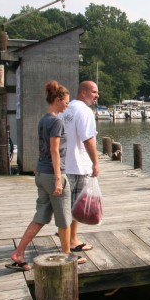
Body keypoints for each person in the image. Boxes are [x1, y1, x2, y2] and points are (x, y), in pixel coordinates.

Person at [6, 80, 84, 271]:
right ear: (57, 100)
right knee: (65, 220)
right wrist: (59, 179)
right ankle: (67, 257)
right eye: (66, 102)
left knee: (40, 217)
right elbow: (54, 150)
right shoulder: (56, 121)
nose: (67, 105)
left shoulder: (44, 119)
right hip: (53, 175)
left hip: (40, 173)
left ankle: (19, 253)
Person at [62, 80, 100, 252]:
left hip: (63, 164)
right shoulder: (84, 111)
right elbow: (87, 139)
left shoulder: (65, 109)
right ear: (83, 92)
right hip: (78, 165)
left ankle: (67, 236)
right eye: (94, 92)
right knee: (76, 206)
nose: (96, 96)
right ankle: (72, 240)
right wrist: (95, 162)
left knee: (65, 205)